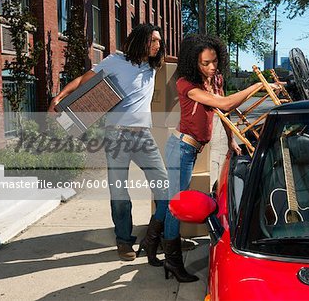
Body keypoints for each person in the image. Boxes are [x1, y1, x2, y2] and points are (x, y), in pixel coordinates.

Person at [162, 34, 280, 282]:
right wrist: (258, 86)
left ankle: (153, 243)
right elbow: (225, 104)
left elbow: (225, 114)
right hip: (180, 148)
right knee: (177, 205)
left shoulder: (215, 80)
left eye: (214, 61)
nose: (211, 67)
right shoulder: (186, 84)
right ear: (193, 63)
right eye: (205, 63)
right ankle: (171, 261)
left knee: (172, 201)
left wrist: (230, 140)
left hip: (192, 149)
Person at [49, 24, 168, 265]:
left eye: (159, 42)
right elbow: (85, 80)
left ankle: (154, 237)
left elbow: (174, 59)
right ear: (141, 40)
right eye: (154, 40)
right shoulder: (116, 61)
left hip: (143, 136)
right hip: (117, 136)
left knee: (165, 187)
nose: (158, 45)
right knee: (120, 192)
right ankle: (124, 240)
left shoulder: (153, 65)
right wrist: (60, 97)